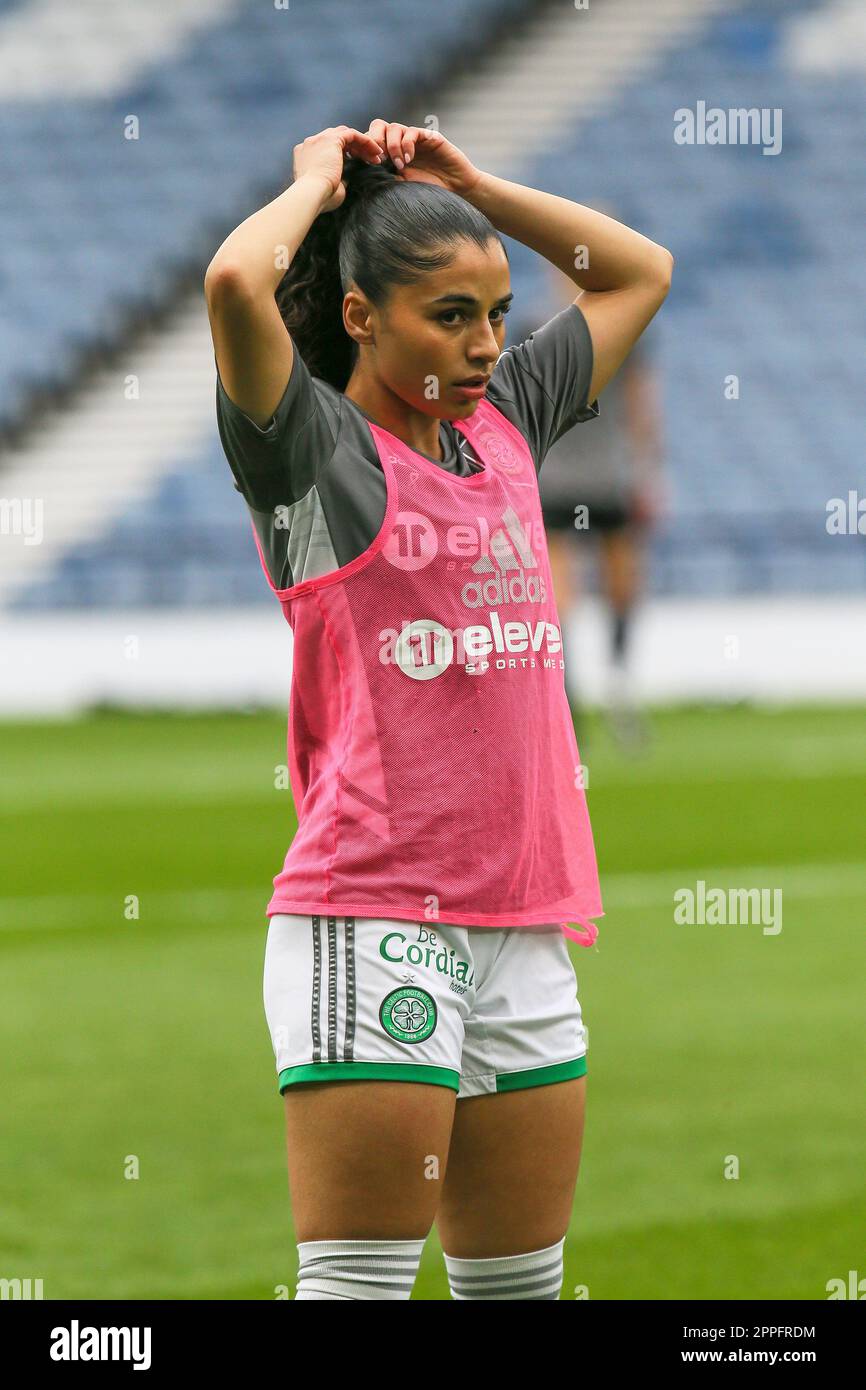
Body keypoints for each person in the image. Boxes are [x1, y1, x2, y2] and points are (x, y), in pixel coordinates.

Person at [205, 119, 673, 1300]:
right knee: (358, 1288)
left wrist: (472, 188)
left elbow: (638, 271)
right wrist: (314, 182)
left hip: (526, 918)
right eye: (447, 316)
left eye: (497, 312)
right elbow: (231, 281)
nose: (483, 344)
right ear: (362, 316)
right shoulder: (314, 454)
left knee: (517, 1293)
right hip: (372, 917)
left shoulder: (506, 420)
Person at [537, 257, 667, 748]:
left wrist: (648, 469)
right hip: (574, 474)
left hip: (593, 474)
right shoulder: (619, 327)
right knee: (574, 588)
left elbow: (641, 407)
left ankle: (604, 686)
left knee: (607, 586)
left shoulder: (544, 328)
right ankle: (588, 689)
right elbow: (643, 408)